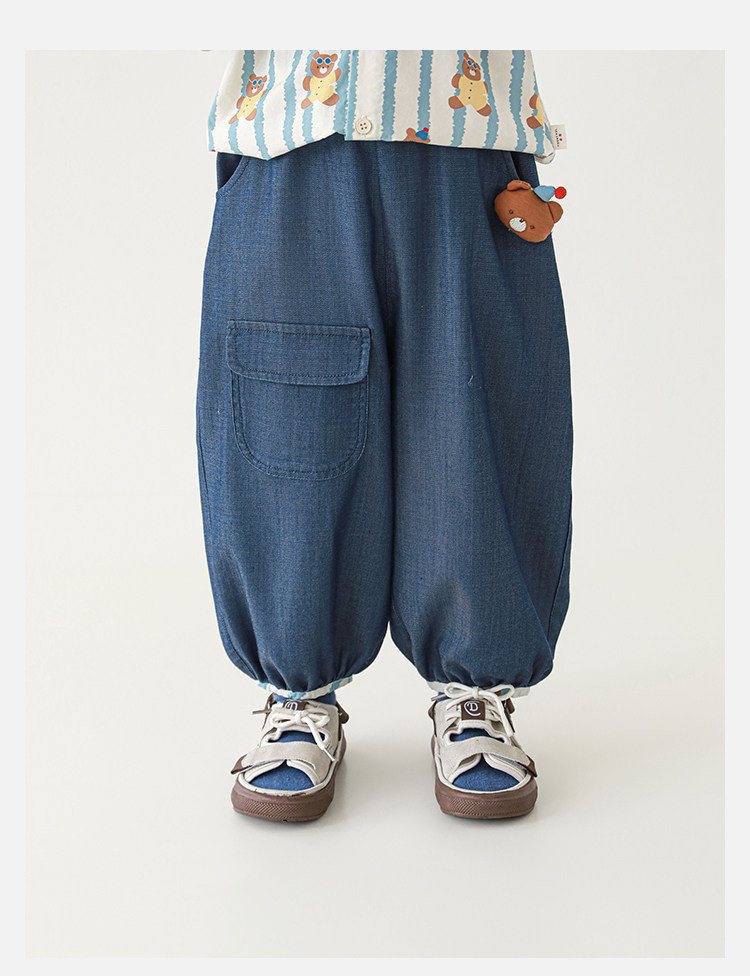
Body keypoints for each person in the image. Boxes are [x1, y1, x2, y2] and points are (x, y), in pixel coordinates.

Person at [196, 50, 573, 822]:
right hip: (292, 129)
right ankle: (298, 694)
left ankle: (476, 692)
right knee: (287, 424)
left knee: (474, 423)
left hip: (466, 137)